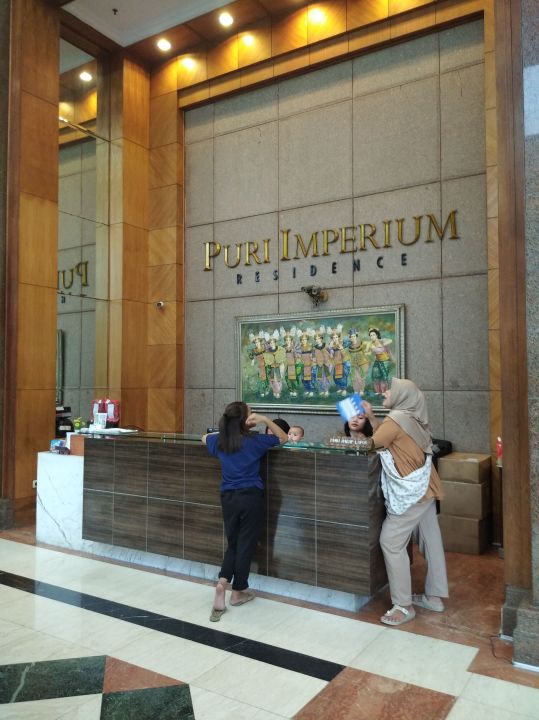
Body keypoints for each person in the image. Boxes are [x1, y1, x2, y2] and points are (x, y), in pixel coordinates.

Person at [362, 378, 448, 627]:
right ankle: (434, 597)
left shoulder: (396, 420)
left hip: (411, 492)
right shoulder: (412, 418)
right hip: (425, 485)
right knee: (430, 539)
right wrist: (372, 417)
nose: (385, 392)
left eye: (390, 390)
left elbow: (372, 444)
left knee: (390, 541)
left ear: (402, 396)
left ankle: (403, 605)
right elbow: (388, 437)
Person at [202, 402, 288, 622]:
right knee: (246, 544)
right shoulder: (256, 441)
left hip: (228, 498)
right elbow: (283, 438)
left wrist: (227, 430)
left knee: (233, 543)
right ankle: (238, 591)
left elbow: (204, 437)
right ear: (245, 420)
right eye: (251, 413)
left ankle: (223, 582)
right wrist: (266, 420)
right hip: (251, 497)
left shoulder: (219, 441)